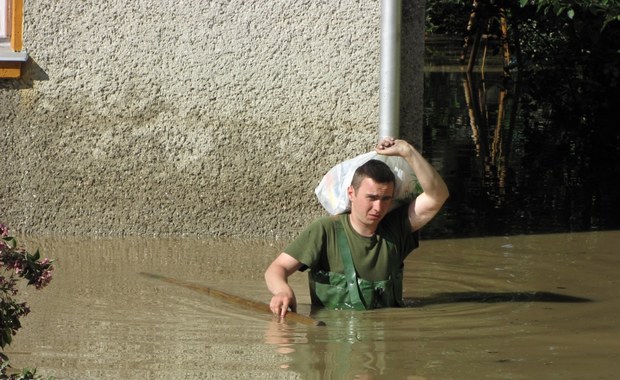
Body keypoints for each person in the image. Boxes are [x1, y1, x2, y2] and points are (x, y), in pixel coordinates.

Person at [265, 137, 449, 317]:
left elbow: (437, 195)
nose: (378, 207)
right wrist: (283, 291)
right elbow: (277, 268)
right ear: (351, 193)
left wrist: (407, 151)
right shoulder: (325, 230)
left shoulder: (397, 228)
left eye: (386, 199)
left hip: (386, 339)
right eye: (372, 198)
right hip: (332, 338)